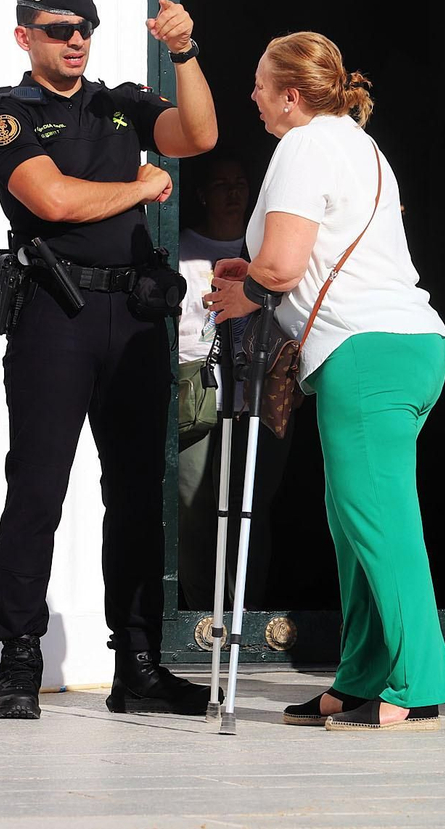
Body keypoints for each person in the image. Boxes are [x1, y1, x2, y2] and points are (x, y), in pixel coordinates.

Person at [0, 0, 218, 720]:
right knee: (39, 488)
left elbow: (198, 134)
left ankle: (138, 661)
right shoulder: (8, 114)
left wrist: (185, 52)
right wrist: (142, 190)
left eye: (85, 27)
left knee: (140, 493)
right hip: (57, 312)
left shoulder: (119, 103)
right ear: (25, 36)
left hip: (136, 315)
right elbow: (50, 200)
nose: (76, 39)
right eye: (58, 28)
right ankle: (19, 658)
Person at [207, 32, 445, 731]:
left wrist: (247, 290)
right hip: (404, 344)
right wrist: (254, 279)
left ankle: (417, 681)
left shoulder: (302, 145)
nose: (253, 95)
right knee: (356, 522)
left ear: (292, 93)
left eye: (261, 83)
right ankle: (361, 675)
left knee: (379, 523)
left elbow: (285, 268)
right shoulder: (360, 144)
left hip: (364, 350)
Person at [174, 155, 290, 609]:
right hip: (199, 400)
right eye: (221, 183)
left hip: (261, 397)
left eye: (240, 181)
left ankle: (246, 613)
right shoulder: (180, 247)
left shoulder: (270, 251)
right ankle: (203, 616)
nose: (233, 191)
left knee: (251, 512)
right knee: (195, 512)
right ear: (202, 194)